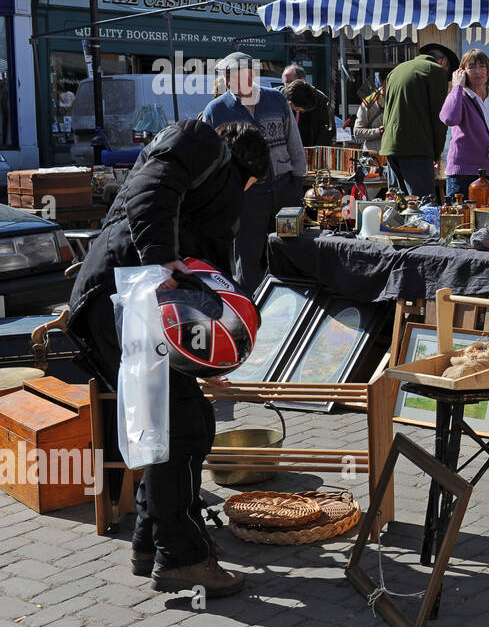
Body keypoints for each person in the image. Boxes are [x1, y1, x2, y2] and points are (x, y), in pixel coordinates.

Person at [68, 119, 270, 597]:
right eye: (251, 185)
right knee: (181, 428)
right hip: (124, 300)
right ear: (248, 170)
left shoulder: (213, 191)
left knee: (176, 422)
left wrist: (216, 362)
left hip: (131, 305)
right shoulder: (196, 140)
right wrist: (163, 258)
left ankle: (147, 543)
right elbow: (149, 190)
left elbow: (213, 282)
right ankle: (182, 558)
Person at [201, 51, 306, 292]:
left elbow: (294, 141)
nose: (229, 82)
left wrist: (297, 181)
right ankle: (252, 314)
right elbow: (210, 158)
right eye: (227, 77)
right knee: (247, 260)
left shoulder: (276, 100)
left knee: (290, 252)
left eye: (235, 76)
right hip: (246, 196)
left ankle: (293, 307)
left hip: (284, 190)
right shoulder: (216, 110)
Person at [380, 42, 456, 198]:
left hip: (391, 146)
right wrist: (437, 154)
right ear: (443, 62)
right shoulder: (435, 71)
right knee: (423, 206)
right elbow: (439, 117)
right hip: (417, 147)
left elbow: (387, 113)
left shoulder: (396, 70)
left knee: (397, 205)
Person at [440, 48, 489, 199]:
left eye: (482, 66)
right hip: (463, 174)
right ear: (462, 72)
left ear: (488, 70)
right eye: (471, 66)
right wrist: (457, 87)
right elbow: (449, 118)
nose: (477, 71)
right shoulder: (460, 96)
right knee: (462, 220)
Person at [281, 64, 334, 147]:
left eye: (290, 82)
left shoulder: (320, 99)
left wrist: (316, 150)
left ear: (302, 80)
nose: (287, 86)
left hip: (309, 148)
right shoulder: (281, 96)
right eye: (285, 82)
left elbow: (327, 129)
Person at [351, 83, 385, 153]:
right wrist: (378, 131)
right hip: (374, 154)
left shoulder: (400, 98)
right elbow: (357, 132)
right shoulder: (369, 101)